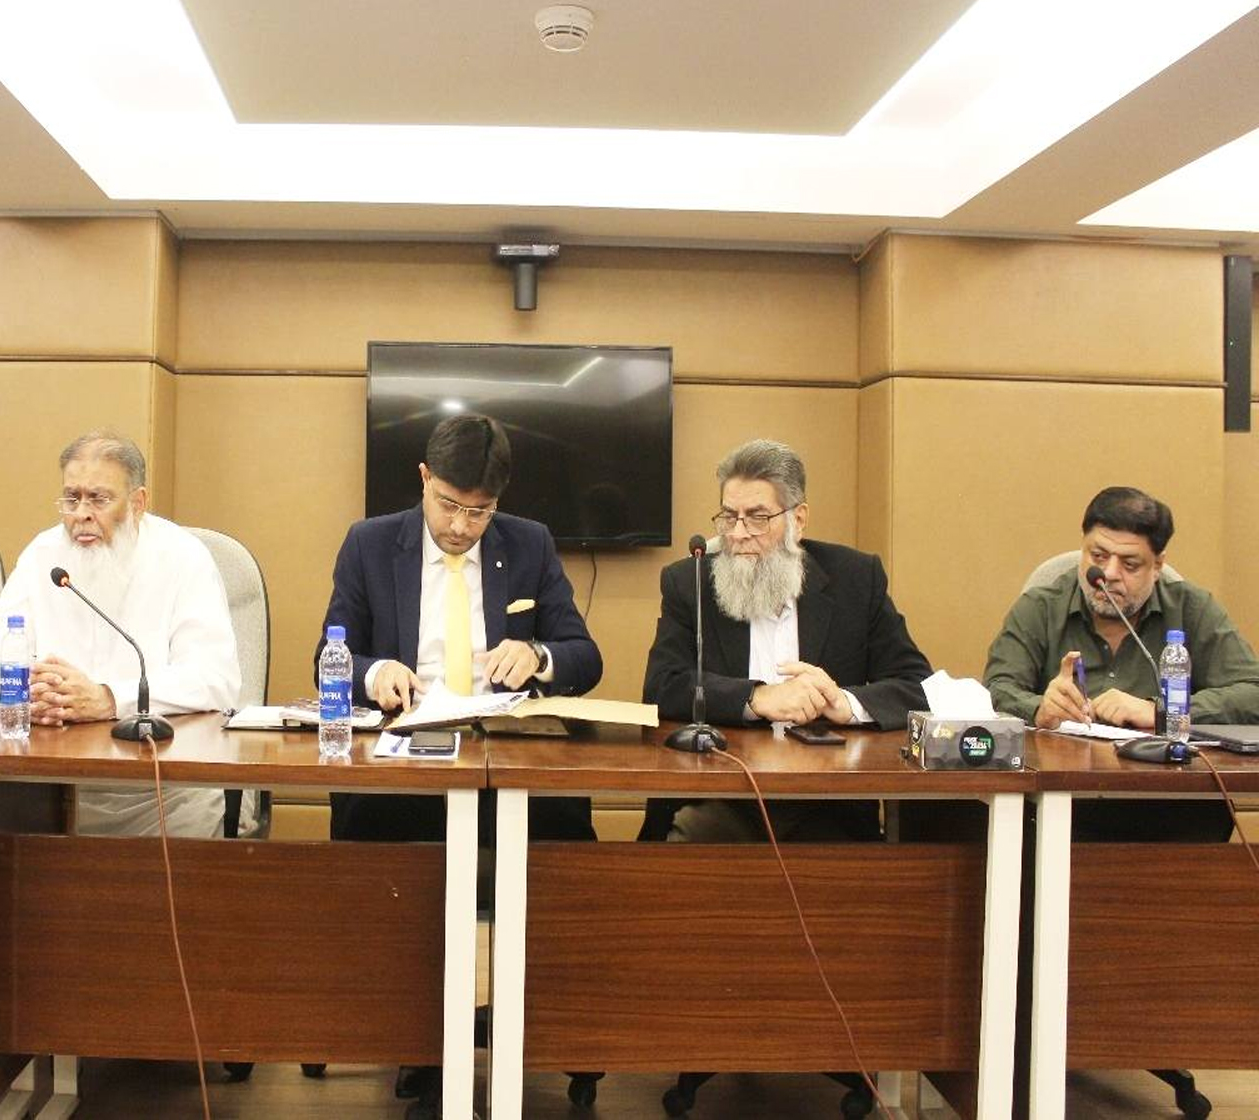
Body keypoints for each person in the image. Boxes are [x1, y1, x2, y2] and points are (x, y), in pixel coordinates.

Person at [318, 413, 601, 1120]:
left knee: (568, 848)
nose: (460, 526)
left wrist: (539, 655)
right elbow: (331, 651)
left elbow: (584, 655)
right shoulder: (371, 542)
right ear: (424, 479)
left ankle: (542, 1025)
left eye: (479, 512)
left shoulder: (529, 544)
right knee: (391, 857)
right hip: (405, 761)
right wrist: (375, 670)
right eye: (448, 505)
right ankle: (418, 1041)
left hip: (507, 756)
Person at [641, 438, 931, 843]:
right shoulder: (691, 582)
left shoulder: (855, 578)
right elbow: (662, 686)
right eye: (729, 517)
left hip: (830, 799)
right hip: (722, 796)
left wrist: (844, 704)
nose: (738, 534)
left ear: (799, 518)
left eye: (757, 518)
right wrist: (757, 698)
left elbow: (917, 686)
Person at [0, 431, 253, 837]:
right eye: (71, 498)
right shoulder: (43, 557)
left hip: (164, 792)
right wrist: (28, 695)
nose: (81, 514)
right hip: (51, 787)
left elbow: (215, 680)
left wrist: (107, 698)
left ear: (138, 503)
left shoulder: (183, 557)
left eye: (98, 499)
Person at [984, 485, 1259, 840]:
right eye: (1097, 556)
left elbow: (1252, 692)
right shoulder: (1040, 608)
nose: (1109, 573)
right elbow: (995, 688)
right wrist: (1039, 709)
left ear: (1157, 566)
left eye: (1129, 564)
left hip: (1170, 804)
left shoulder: (1191, 609)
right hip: (1060, 803)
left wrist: (1159, 711)